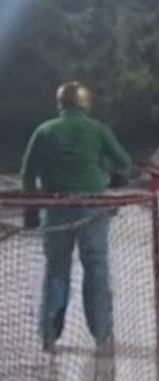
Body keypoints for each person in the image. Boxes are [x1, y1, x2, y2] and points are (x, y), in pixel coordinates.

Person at [20, 81, 133, 352]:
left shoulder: (44, 130)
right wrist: (111, 177)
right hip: (92, 207)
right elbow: (125, 163)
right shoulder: (96, 128)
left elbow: (27, 174)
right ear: (85, 102)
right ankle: (101, 334)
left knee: (56, 271)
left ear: (60, 103)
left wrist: (31, 209)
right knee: (96, 268)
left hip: (55, 208)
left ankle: (48, 336)